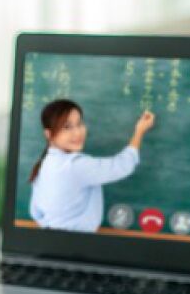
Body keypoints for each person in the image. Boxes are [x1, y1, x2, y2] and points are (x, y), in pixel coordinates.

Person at [29, 99, 155, 232]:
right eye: (67, 127)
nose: (77, 132)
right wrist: (139, 131)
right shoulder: (75, 165)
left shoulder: (44, 163)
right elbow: (123, 165)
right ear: (49, 134)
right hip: (74, 243)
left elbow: (36, 212)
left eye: (79, 124)